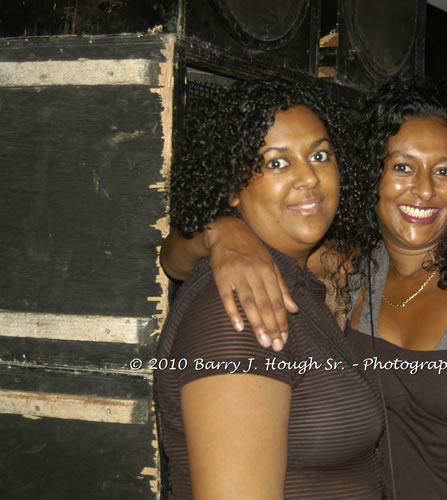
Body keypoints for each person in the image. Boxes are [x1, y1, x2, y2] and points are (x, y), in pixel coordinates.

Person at [161, 79, 447, 499]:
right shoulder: (350, 272)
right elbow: (174, 260)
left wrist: (224, 233)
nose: (425, 189)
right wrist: (222, 232)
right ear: (369, 174)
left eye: (444, 171)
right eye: (402, 167)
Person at [155, 80, 385, 500]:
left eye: (319, 156)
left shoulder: (299, 281)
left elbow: (173, 257)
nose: (308, 177)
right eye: (277, 163)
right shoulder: (241, 309)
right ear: (231, 187)